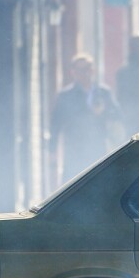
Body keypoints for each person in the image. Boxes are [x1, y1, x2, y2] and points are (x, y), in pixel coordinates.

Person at [50, 54, 123, 184]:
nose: (85, 74)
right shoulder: (66, 96)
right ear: (73, 73)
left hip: (98, 150)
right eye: (80, 70)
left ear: (93, 70)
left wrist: (104, 112)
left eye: (87, 69)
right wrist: (52, 151)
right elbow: (55, 125)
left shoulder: (104, 93)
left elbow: (117, 116)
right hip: (74, 152)